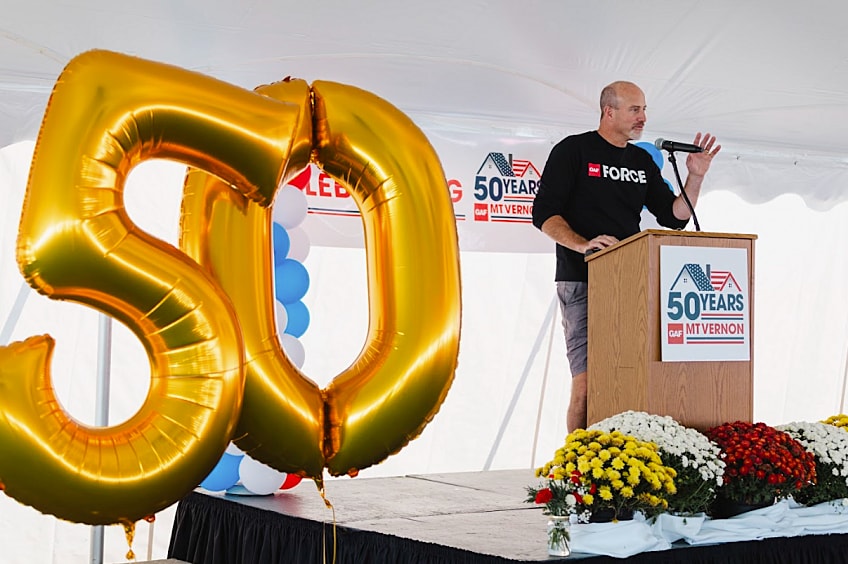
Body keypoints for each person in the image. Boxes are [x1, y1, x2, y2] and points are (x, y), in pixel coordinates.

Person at [531, 80, 720, 432]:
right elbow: (543, 213)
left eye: (644, 110)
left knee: (629, 381)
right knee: (586, 387)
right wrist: (583, 244)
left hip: (629, 282)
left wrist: (695, 178)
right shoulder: (574, 150)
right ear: (609, 111)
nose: (643, 118)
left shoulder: (641, 160)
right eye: (635, 110)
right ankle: (577, 469)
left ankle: (620, 461)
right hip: (582, 279)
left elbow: (674, 217)